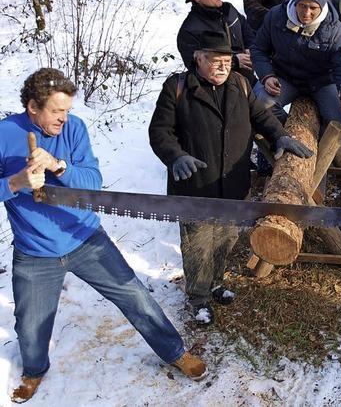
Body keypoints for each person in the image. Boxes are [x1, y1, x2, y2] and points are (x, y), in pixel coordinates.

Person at [1, 69, 207, 403]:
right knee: (30, 323)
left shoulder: (75, 128)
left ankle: (174, 351)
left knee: (134, 296)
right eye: (56, 111)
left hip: (85, 237)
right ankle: (35, 370)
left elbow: (93, 183)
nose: (63, 119)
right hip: (35, 250)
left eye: (67, 110)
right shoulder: (4, 134)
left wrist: (58, 166)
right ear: (32, 107)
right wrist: (15, 183)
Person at [149, 31, 312, 325]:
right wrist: (176, 156)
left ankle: (216, 283)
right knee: (199, 244)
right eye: (216, 60)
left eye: (227, 60)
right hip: (195, 187)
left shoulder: (240, 83)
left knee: (225, 238)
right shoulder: (179, 88)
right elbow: (160, 132)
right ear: (198, 58)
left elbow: (260, 117)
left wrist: (280, 135)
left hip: (233, 184)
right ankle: (197, 297)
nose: (223, 66)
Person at [251, 0, 341, 126]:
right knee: (260, 103)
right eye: (302, 5)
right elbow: (258, 49)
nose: (306, 13)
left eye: (313, 8)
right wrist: (266, 76)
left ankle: (321, 148)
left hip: (321, 82)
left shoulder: (336, 30)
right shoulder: (276, 16)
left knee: (337, 118)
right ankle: (284, 137)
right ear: (295, 1)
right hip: (284, 77)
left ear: (322, 5)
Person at [178, 0, 255, 82]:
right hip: (218, 92)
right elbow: (197, 69)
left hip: (249, 82)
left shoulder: (230, 10)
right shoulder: (189, 31)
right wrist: (234, 61)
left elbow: (248, 32)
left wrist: (251, 48)